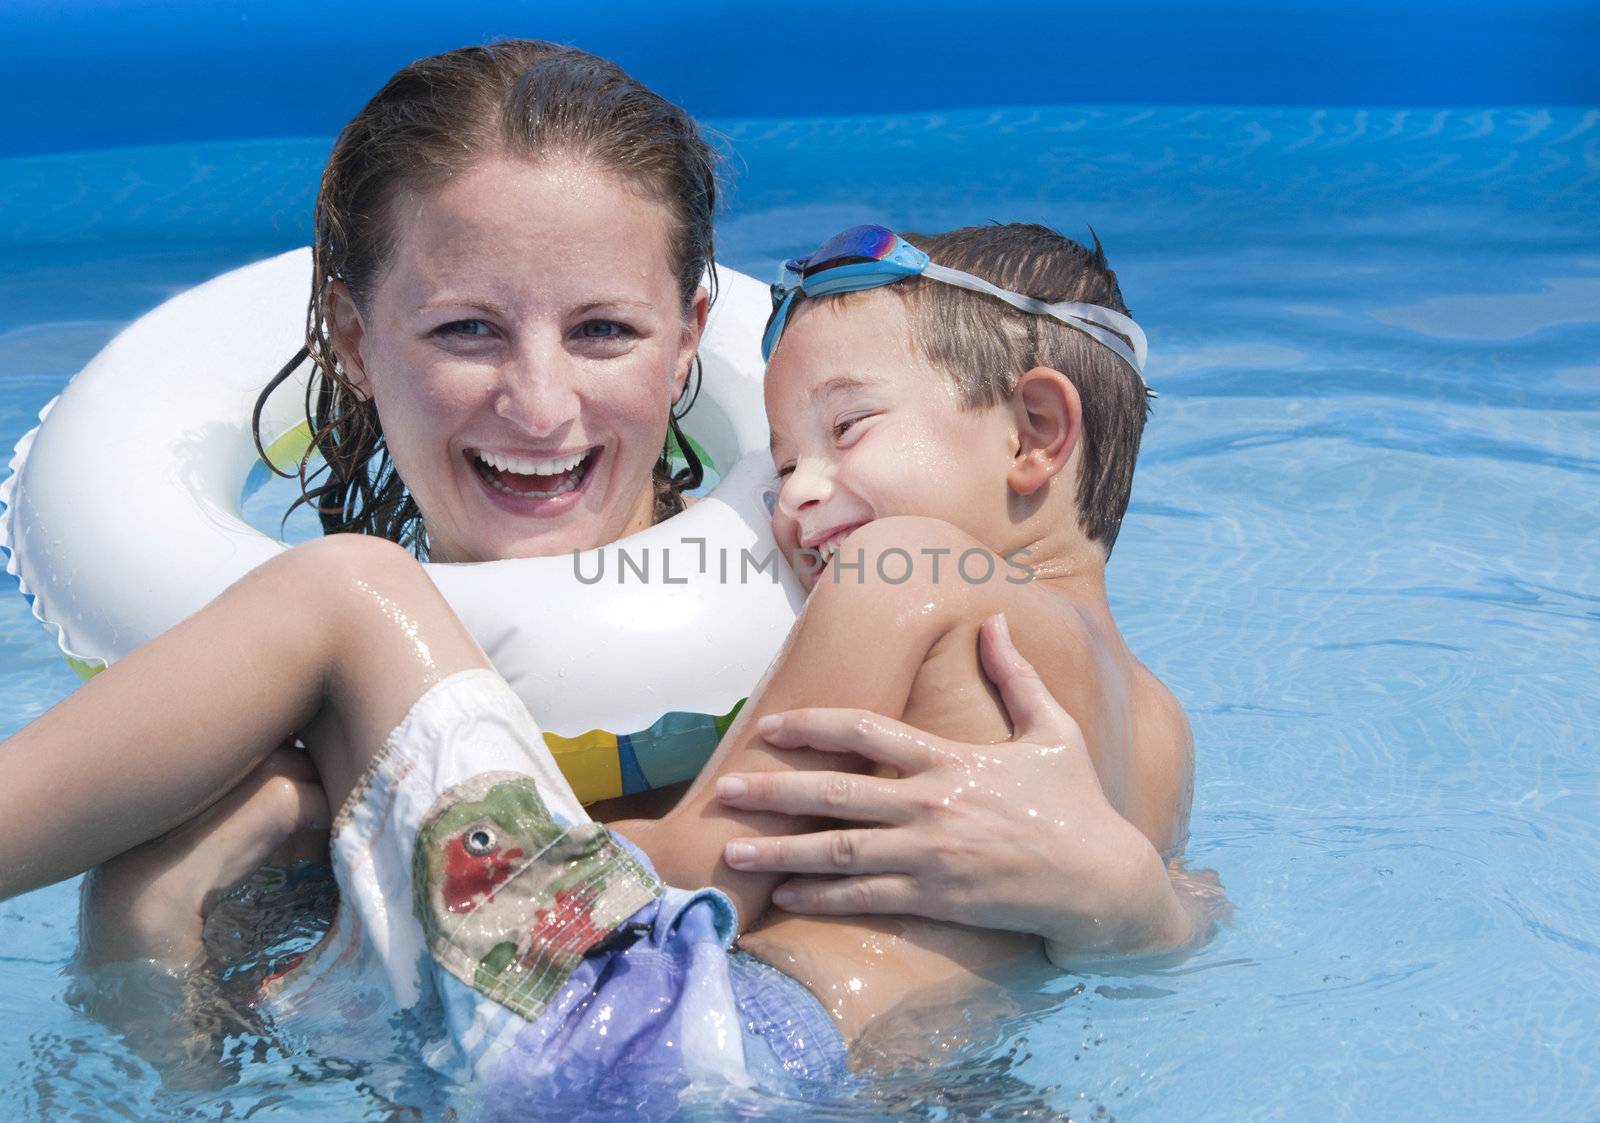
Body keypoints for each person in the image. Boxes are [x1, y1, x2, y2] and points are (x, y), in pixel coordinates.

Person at [0, 221, 1211, 1103]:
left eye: (846, 431)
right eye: (782, 459)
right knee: (197, 852)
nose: (796, 498)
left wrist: (376, 836)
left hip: (671, 1039)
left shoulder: (909, 567)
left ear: (1038, 431)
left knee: (351, 591)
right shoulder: (1158, 728)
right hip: (815, 1082)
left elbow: (707, 863)